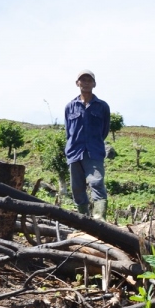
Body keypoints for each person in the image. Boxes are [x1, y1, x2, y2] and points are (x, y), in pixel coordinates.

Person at [64, 69, 111, 219]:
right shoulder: (70, 107)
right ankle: (83, 219)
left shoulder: (102, 106)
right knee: (77, 188)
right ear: (77, 83)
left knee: (96, 182)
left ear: (94, 84)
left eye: (89, 80)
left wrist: (94, 142)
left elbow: (104, 130)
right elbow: (68, 131)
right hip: (74, 152)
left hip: (94, 152)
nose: (86, 83)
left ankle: (99, 218)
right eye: (83, 80)